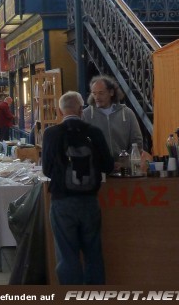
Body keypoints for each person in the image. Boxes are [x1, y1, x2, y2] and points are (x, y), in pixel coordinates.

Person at [42, 91, 114, 284]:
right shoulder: (94, 133)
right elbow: (108, 166)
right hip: (90, 202)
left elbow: (47, 170)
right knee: (93, 254)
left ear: (60, 110)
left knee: (67, 255)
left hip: (62, 203)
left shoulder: (51, 134)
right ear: (81, 109)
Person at [82, 75, 143, 162]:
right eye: (94, 93)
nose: (97, 97)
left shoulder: (127, 113)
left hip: (123, 167)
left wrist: (126, 161)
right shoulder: (86, 115)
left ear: (111, 92)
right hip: (97, 169)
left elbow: (137, 142)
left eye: (101, 93)